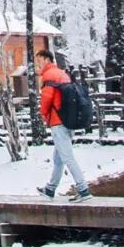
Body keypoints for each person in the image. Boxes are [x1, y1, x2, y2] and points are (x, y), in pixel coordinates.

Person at [35, 46, 90, 200]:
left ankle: (83, 189)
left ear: (47, 60)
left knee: (66, 157)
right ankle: (50, 189)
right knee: (59, 158)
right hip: (68, 119)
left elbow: (47, 99)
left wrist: (44, 114)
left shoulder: (49, 76)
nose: (37, 65)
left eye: (39, 61)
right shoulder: (62, 74)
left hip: (57, 120)